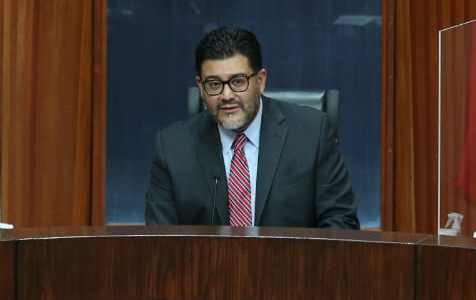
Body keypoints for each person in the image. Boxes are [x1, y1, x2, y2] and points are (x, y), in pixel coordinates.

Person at [144, 26, 358, 229]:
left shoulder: (312, 134)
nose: (226, 95)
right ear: (201, 87)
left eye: (238, 81)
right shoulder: (172, 148)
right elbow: (162, 243)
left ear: (260, 80)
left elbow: (341, 224)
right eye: (214, 84)